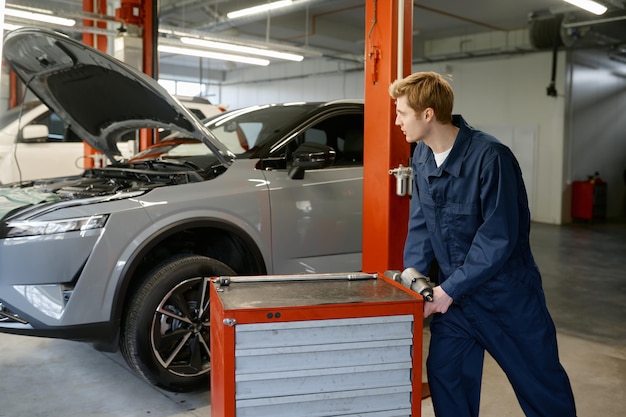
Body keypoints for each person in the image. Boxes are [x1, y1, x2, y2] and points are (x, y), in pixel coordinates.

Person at [388, 71, 577, 417]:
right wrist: (413, 277)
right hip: (457, 305)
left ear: (427, 114)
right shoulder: (422, 155)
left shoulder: (491, 158)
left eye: (401, 112)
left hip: (506, 300)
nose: (396, 120)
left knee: (541, 389)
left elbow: (497, 238)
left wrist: (448, 291)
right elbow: (421, 222)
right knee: (447, 376)